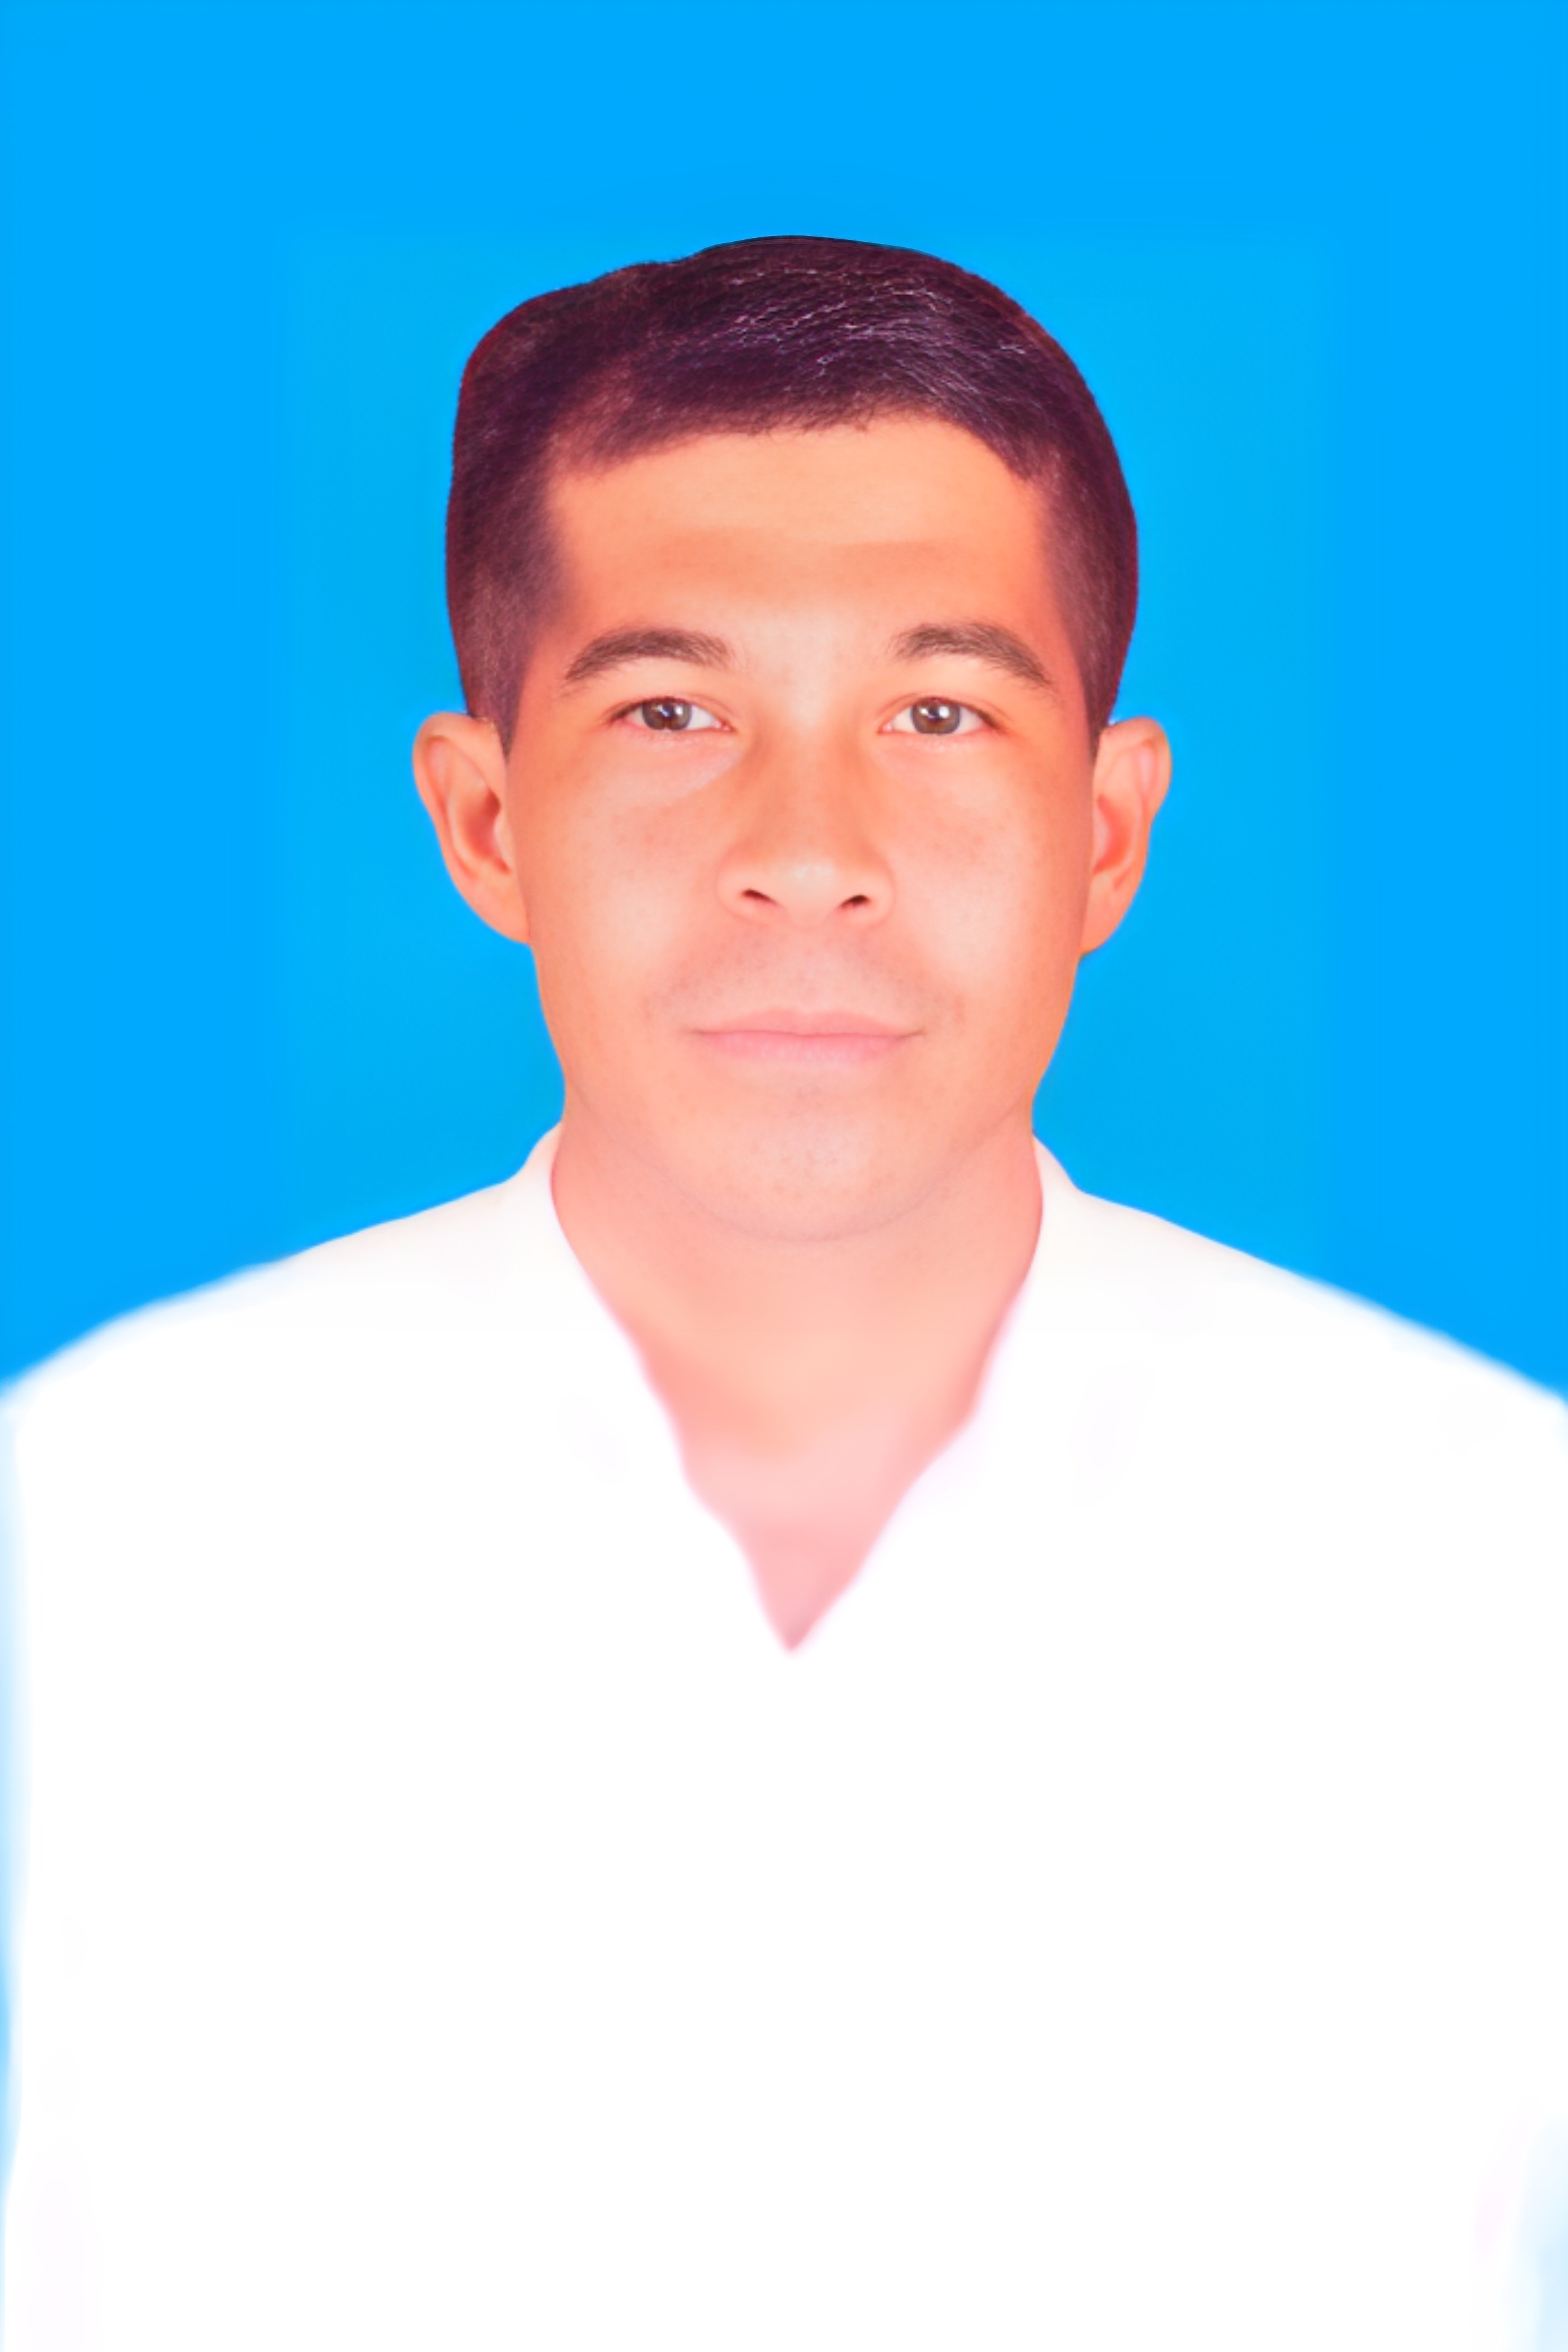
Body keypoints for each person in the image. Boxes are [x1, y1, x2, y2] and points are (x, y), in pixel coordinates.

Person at [2, 235, 1564, 2352]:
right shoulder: (79, 1535)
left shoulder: (1498, 1559)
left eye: (936, 712)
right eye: (671, 711)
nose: (808, 849)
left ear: (1105, 832)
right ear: (485, 820)